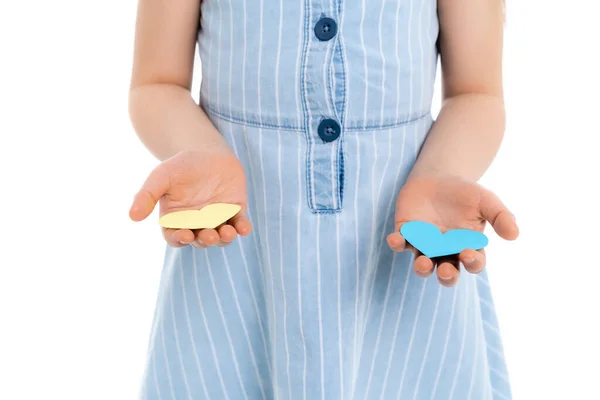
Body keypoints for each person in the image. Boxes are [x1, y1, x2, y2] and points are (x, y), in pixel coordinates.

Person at [128, 0, 519, 398]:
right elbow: (157, 82)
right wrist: (199, 149)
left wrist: (443, 170)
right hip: (235, 241)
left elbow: (475, 92)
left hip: (405, 238)